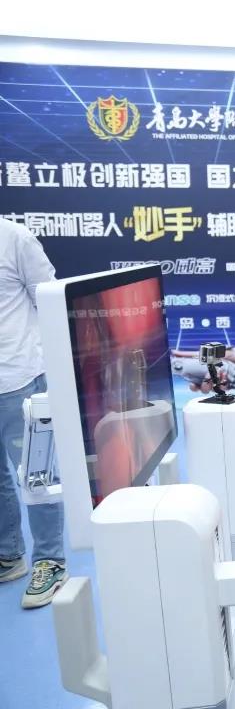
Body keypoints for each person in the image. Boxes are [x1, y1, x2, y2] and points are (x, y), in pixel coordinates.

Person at [0, 217, 67, 609]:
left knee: (35, 476)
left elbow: (50, 300)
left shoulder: (15, 238)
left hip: (19, 378)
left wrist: (48, 364)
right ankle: (9, 556)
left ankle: (50, 560)